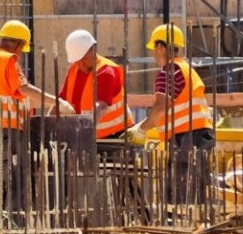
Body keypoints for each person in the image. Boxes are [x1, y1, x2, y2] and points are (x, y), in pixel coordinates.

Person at [0, 20, 74, 214]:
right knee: (16, 181)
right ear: (19, 45)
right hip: (7, 131)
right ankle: (15, 226)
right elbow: (24, 89)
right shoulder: (9, 59)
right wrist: (57, 102)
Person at [128, 23, 214, 204]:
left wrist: (142, 129)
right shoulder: (185, 68)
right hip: (199, 135)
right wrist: (142, 125)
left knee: (180, 192)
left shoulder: (169, 70)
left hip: (186, 138)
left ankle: (183, 228)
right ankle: (194, 227)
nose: (153, 54)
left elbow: (160, 107)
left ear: (160, 47)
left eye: (154, 48)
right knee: (195, 190)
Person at [59, 29, 133, 139]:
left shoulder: (106, 71)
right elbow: (60, 101)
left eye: (84, 59)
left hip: (115, 137)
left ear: (93, 50)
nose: (81, 65)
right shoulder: (74, 69)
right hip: (87, 137)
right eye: (77, 60)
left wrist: (86, 129)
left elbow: (101, 107)